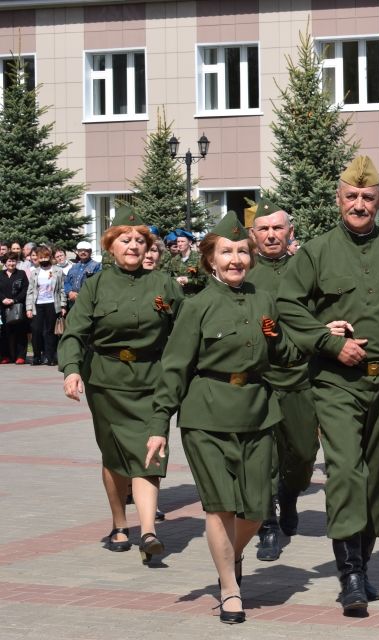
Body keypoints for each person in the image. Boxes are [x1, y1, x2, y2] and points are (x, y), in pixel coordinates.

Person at [276, 156, 379, 615]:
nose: (360, 204)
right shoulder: (317, 251)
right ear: (339, 200)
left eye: (368, 198)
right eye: (352, 197)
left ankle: (363, 561)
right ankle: (350, 574)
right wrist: (327, 342)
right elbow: (288, 306)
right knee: (347, 470)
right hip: (335, 382)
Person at [147, 211, 300, 624]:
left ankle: (226, 560)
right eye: (226, 252)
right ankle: (230, 588)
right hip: (207, 415)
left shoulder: (263, 299)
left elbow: (282, 355)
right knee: (220, 507)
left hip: (257, 411)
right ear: (210, 260)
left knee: (255, 508)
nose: (236, 259)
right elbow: (175, 367)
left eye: (241, 252)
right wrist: (159, 426)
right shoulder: (196, 306)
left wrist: (278, 340)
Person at [58, 207, 183, 564]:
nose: (132, 246)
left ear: (148, 248)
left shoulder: (164, 285)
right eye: (125, 240)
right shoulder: (95, 285)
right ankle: (119, 523)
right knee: (115, 457)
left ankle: (148, 532)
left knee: (150, 453)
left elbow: (188, 329)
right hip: (107, 382)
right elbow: (75, 333)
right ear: (111, 246)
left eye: (139, 241)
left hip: (152, 380)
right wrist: (71, 370)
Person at [245, 197, 320, 562]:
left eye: (278, 228)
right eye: (264, 229)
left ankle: (290, 493)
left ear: (291, 231)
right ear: (252, 234)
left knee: (304, 452)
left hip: (300, 376)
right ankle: (267, 526)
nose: (271, 235)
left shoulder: (306, 269)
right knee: (262, 457)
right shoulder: (242, 273)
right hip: (256, 379)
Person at [26, 246, 66, 366]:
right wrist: (28, 308)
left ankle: (50, 357)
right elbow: (30, 291)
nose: (44, 259)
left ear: (50, 257)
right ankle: (37, 356)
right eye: (41, 257)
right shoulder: (35, 272)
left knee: (50, 332)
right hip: (37, 304)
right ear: (38, 258)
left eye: (46, 257)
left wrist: (63, 306)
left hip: (52, 304)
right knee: (36, 330)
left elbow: (62, 289)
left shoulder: (57, 271)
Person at [0, 253, 29, 364]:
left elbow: (25, 289)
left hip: (18, 307)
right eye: (9, 261)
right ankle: (5, 356)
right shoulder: (0, 274)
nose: (11, 263)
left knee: (20, 331)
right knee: (5, 333)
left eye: (13, 261)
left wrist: (14, 300)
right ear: (5, 262)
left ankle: (20, 356)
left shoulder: (21, 274)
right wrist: (3, 299)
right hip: (3, 307)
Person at [165, 229, 207, 296]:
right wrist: (176, 279)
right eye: (178, 242)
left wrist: (188, 280)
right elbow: (167, 277)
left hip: (195, 297)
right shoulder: (174, 260)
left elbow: (205, 280)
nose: (180, 244)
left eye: (182, 241)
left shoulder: (199, 259)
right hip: (179, 297)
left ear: (190, 243)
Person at [64, 240, 102, 311]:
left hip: (88, 303)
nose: (83, 252)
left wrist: (80, 295)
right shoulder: (73, 267)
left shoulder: (97, 266)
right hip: (73, 303)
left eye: (86, 250)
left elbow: (98, 285)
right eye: (80, 250)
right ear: (77, 252)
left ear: (90, 252)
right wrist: (70, 292)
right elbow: (66, 281)